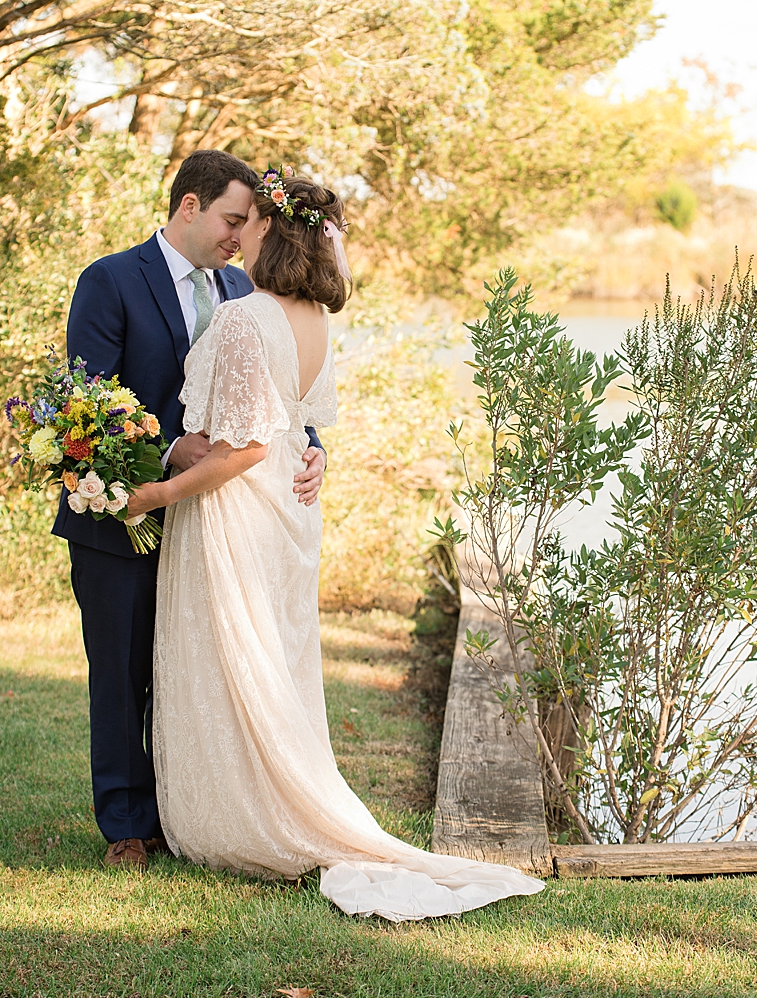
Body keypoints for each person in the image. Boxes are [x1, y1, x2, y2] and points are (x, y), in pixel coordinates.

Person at [125, 167, 545, 920]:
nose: (240, 231)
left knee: (234, 651)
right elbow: (294, 426)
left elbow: (247, 447)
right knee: (268, 654)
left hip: (239, 506)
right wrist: (300, 454)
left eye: (251, 221)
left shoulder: (248, 317)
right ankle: (261, 787)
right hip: (289, 506)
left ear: (270, 230)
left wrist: (153, 495)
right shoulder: (313, 315)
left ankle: (242, 811)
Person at [54, 150, 328, 869]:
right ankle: (127, 828)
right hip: (126, 514)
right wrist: (171, 451)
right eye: (232, 220)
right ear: (188, 207)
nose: (239, 237)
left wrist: (313, 448)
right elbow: (89, 402)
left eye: (248, 224)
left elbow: (273, 396)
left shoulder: (245, 289)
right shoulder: (111, 279)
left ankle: (188, 813)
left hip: (218, 522)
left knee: (192, 670)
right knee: (120, 673)